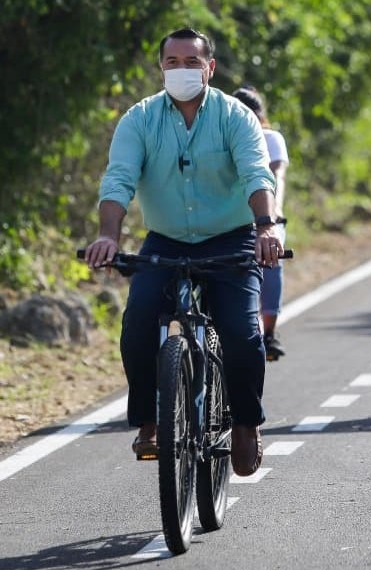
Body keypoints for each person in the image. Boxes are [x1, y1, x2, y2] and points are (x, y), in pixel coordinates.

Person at [83, 27, 282, 478]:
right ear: (161, 68)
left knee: (242, 332)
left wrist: (265, 227)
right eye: (172, 62)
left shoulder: (235, 116)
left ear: (210, 67)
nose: (181, 70)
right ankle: (150, 423)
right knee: (138, 321)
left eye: (192, 62)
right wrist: (108, 236)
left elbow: (256, 174)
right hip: (166, 239)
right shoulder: (139, 119)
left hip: (231, 238)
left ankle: (246, 425)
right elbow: (118, 179)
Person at [233, 86, 290, 360]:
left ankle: (269, 332)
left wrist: (272, 212)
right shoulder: (225, 136)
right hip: (233, 218)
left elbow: (276, 176)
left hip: (266, 215)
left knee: (271, 259)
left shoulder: (271, 139)